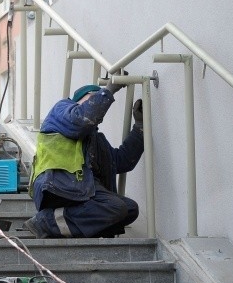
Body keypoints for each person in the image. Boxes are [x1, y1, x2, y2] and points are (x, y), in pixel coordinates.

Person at [22, 81, 145, 238]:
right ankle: (45, 222)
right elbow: (82, 120)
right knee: (116, 207)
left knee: (129, 209)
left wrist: (139, 127)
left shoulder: (95, 140)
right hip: (60, 182)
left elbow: (122, 161)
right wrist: (109, 90)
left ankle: (59, 224)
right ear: (77, 100)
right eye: (91, 98)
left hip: (85, 190)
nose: (96, 102)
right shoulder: (61, 110)